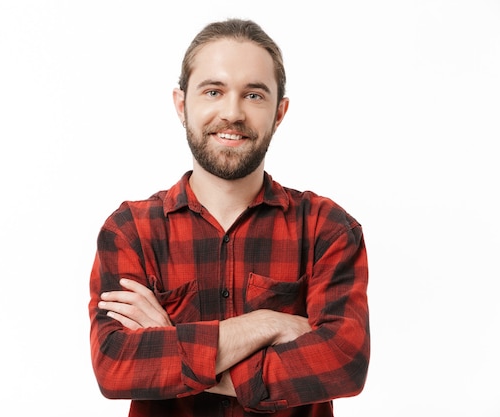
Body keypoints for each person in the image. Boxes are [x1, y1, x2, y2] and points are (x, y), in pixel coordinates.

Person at [88, 18, 370, 417]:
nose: (232, 112)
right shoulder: (130, 231)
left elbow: (344, 362)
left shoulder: (327, 228)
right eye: (214, 91)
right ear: (182, 104)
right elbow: (116, 367)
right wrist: (265, 325)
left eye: (254, 95)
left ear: (279, 112)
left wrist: (173, 346)